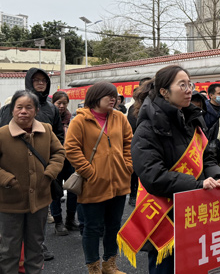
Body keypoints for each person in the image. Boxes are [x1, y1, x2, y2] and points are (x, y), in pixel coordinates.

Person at [129, 65, 220, 273]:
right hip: (165, 215)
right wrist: (197, 184)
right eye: (181, 85)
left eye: (190, 84)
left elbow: (207, 156)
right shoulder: (148, 127)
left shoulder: (192, 119)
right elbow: (152, 176)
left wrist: (217, 177)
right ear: (164, 91)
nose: (188, 90)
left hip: (194, 210)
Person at [64, 82, 133, 273]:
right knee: (93, 228)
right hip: (93, 184)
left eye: (115, 96)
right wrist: (88, 171)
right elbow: (71, 148)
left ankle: (109, 264)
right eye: (109, 96)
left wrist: (128, 166)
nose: (114, 99)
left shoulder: (120, 117)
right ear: (96, 97)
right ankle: (93, 266)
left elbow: (129, 143)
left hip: (119, 182)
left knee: (113, 226)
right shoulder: (80, 120)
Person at [0, 67, 64, 261]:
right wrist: (7, 179)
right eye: (36, 80)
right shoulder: (6, 117)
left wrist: (50, 173)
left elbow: (59, 146)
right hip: (11, 194)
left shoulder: (51, 110)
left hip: (41, 188)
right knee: (9, 246)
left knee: (35, 242)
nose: (24, 112)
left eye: (43, 80)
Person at [50, 91, 80, 235]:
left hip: (70, 159)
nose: (61, 106)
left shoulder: (72, 118)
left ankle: (70, 219)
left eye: (64, 103)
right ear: (53, 103)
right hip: (54, 159)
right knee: (55, 191)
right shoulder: (49, 117)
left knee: (73, 189)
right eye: (58, 103)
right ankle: (58, 222)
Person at [126, 78, 151, 207]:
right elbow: (131, 130)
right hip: (139, 146)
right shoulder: (133, 109)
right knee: (135, 173)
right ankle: (133, 195)